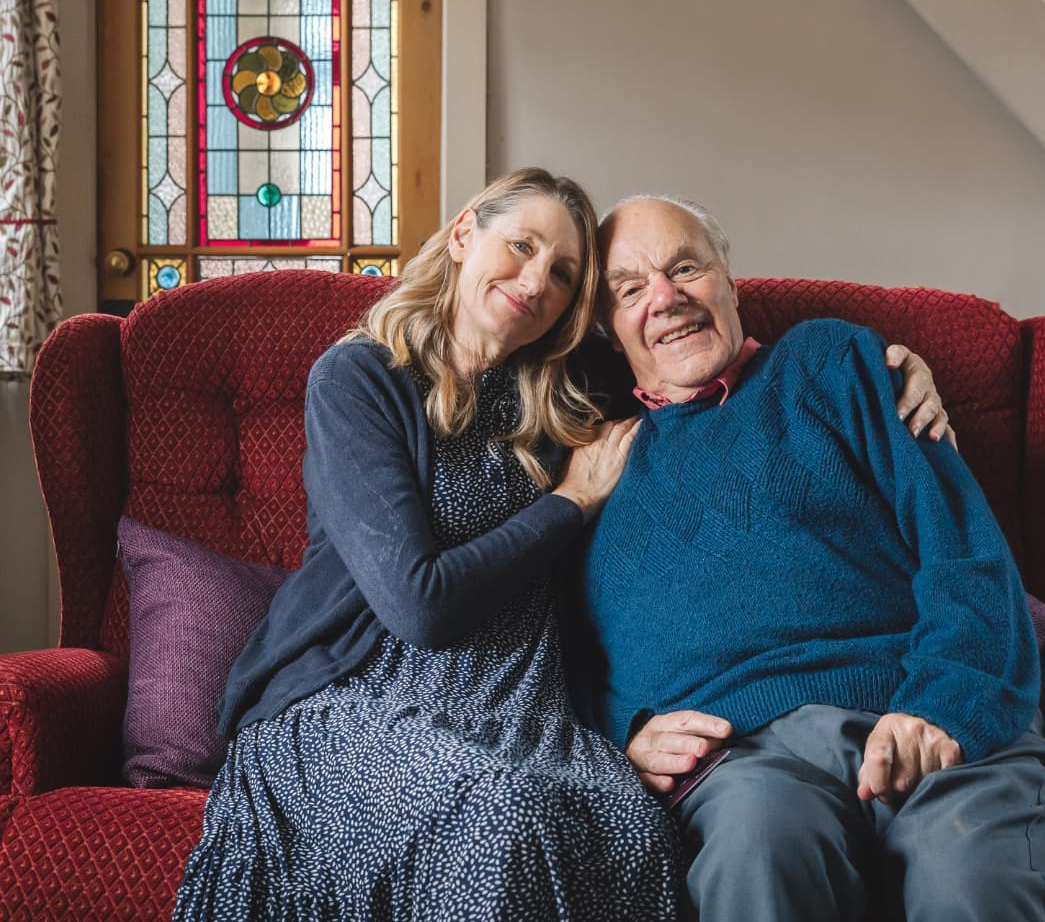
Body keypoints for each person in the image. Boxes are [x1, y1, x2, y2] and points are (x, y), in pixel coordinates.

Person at [173, 169, 681, 920]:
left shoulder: (570, 386)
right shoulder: (359, 379)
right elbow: (420, 605)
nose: (535, 281)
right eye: (522, 246)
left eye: (564, 274)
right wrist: (570, 502)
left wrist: (852, 370)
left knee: (634, 824)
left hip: (521, 704)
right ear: (465, 233)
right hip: (356, 696)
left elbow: (685, 362)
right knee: (501, 810)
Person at [570, 195, 1045, 921]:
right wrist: (625, 730)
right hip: (745, 760)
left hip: (918, 702)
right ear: (608, 329)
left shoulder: (830, 363)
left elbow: (965, 550)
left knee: (967, 879)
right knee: (758, 852)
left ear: (730, 282)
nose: (664, 298)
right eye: (629, 290)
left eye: (685, 268)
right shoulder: (593, 469)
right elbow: (564, 653)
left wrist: (942, 706)